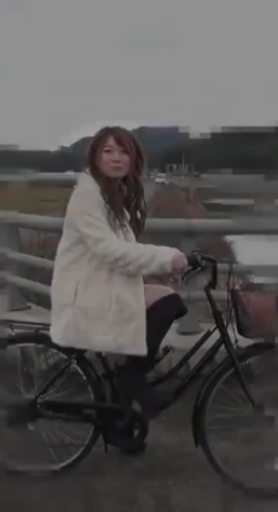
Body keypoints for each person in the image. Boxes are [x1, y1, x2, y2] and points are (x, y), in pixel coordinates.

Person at [49, 126, 190, 419]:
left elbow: (126, 250)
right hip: (86, 293)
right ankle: (131, 378)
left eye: (123, 151)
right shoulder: (87, 196)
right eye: (108, 151)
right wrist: (168, 258)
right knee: (169, 303)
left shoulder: (110, 193)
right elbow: (110, 251)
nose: (116, 158)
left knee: (168, 300)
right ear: (95, 157)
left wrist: (163, 268)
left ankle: (125, 394)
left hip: (100, 284)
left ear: (133, 157)